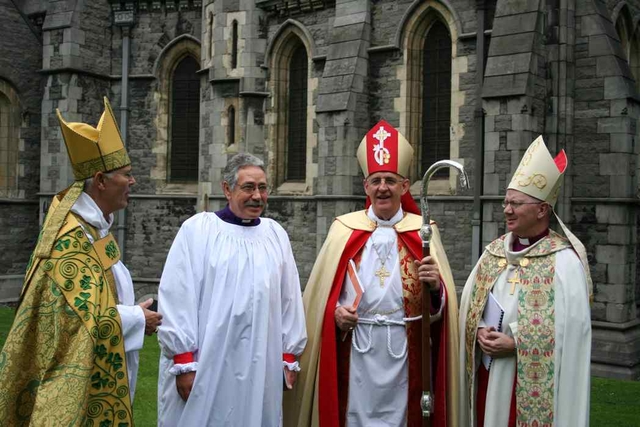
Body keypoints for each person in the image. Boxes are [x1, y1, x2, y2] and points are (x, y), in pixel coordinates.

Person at [283, 120, 460, 427]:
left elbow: (441, 312)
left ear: (404, 186)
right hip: (357, 349)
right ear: (365, 186)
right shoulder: (344, 230)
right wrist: (336, 314)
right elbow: (323, 300)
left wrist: (435, 290)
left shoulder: (424, 234)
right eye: (375, 180)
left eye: (390, 180)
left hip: (404, 351)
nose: (382, 188)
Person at [0, 97, 162, 425]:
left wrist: (135, 311)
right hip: (71, 391)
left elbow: (101, 298)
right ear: (101, 180)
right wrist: (135, 319)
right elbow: (73, 322)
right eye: (126, 175)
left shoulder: (95, 228)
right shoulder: (71, 238)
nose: (133, 182)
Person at [156, 153, 307, 426]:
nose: (257, 196)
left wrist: (288, 356)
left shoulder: (275, 234)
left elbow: (290, 298)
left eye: (262, 187)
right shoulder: (198, 231)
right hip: (208, 361)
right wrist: (184, 361)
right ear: (227, 189)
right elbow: (178, 295)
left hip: (261, 362)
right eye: (248, 187)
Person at [458, 136, 592, 427]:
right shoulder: (493, 254)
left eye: (516, 203)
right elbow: (470, 305)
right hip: (488, 374)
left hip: (527, 380)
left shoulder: (564, 262)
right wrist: (479, 330)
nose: (507, 209)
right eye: (507, 201)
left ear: (542, 210)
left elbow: (573, 330)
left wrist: (517, 341)